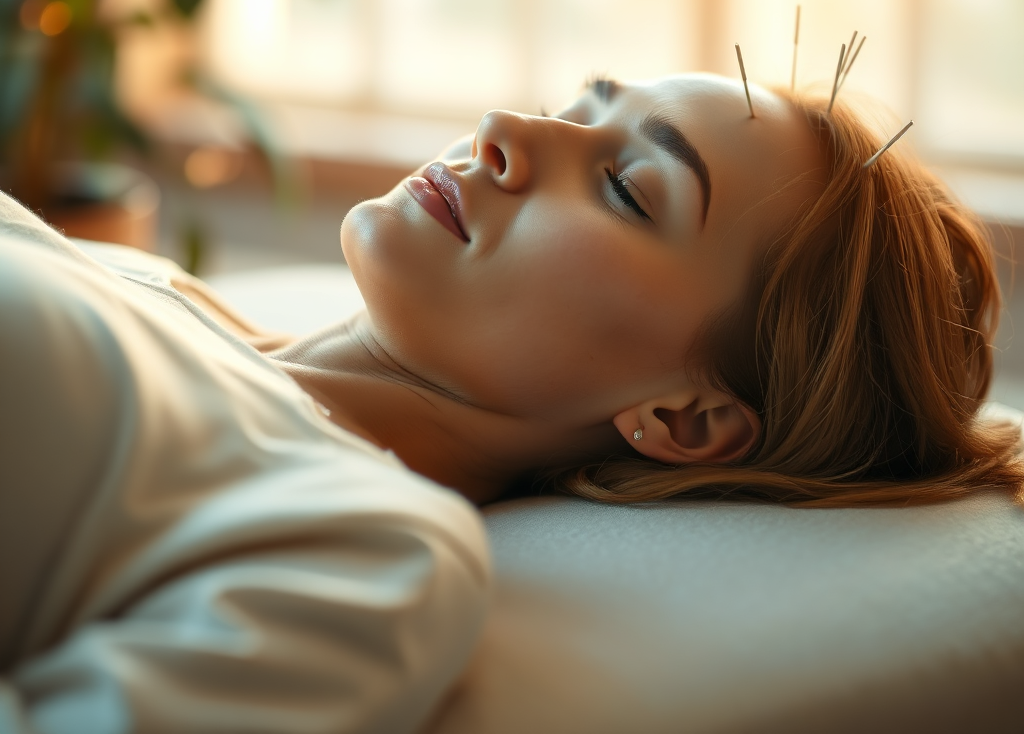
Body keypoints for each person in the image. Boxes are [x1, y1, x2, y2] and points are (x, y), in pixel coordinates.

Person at [2, 72, 1021, 733]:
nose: (502, 131)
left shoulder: (364, 554)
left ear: (681, 416)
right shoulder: (156, 289)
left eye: (625, 186)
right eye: (579, 109)